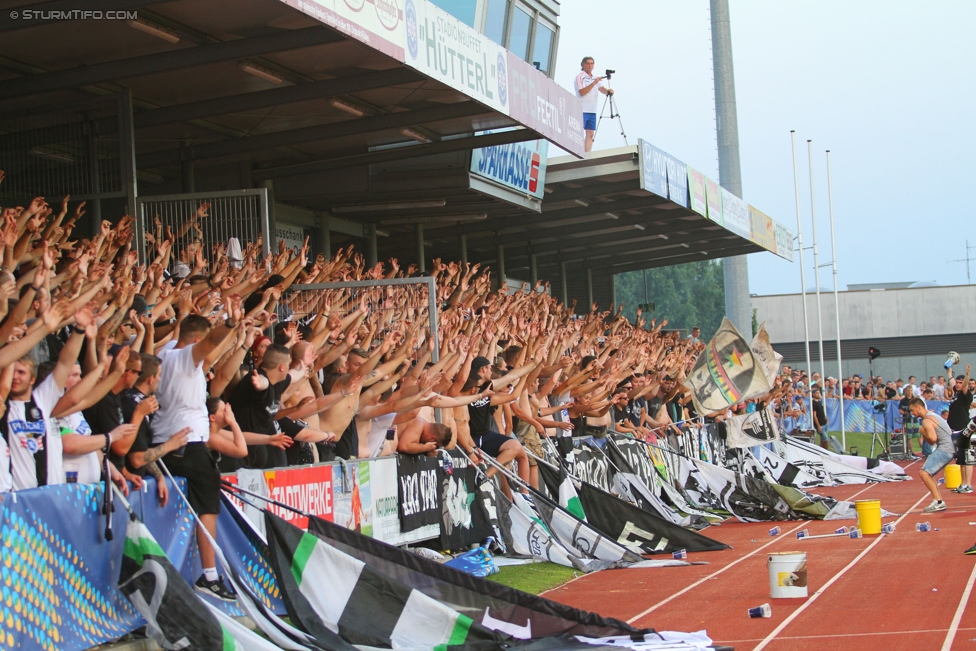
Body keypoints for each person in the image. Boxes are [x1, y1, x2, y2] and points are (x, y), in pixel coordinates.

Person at [152, 300, 243, 602]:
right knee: (208, 509)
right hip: (189, 446)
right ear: (195, 340)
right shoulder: (183, 358)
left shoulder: (160, 355)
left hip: (166, 445)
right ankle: (209, 575)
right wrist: (228, 325)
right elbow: (212, 342)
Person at [910, 398, 955, 513]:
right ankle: (938, 501)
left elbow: (932, 439)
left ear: (919, 407)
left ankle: (938, 501)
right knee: (927, 473)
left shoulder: (926, 420)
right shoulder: (931, 416)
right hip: (948, 447)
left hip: (945, 448)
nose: (912, 413)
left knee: (924, 472)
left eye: (912, 410)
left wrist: (922, 431)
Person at [574, 56, 613, 153]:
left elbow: (602, 89)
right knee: (578, 132)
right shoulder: (580, 77)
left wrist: (608, 91)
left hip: (592, 110)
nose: (590, 65)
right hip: (582, 109)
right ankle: (577, 152)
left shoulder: (596, 78)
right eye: (588, 63)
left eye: (592, 63)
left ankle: (587, 154)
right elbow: (582, 92)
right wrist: (594, 83)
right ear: (583, 65)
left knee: (590, 133)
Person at [947, 365, 973, 494]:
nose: (958, 384)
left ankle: (968, 484)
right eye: (957, 382)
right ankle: (963, 483)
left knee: (967, 458)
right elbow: (952, 382)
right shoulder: (956, 393)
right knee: (961, 459)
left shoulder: (965, 395)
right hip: (956, 430)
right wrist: (949, 372)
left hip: (964, 429)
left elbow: (965, 386)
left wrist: (967, 375)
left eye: (960, 383)